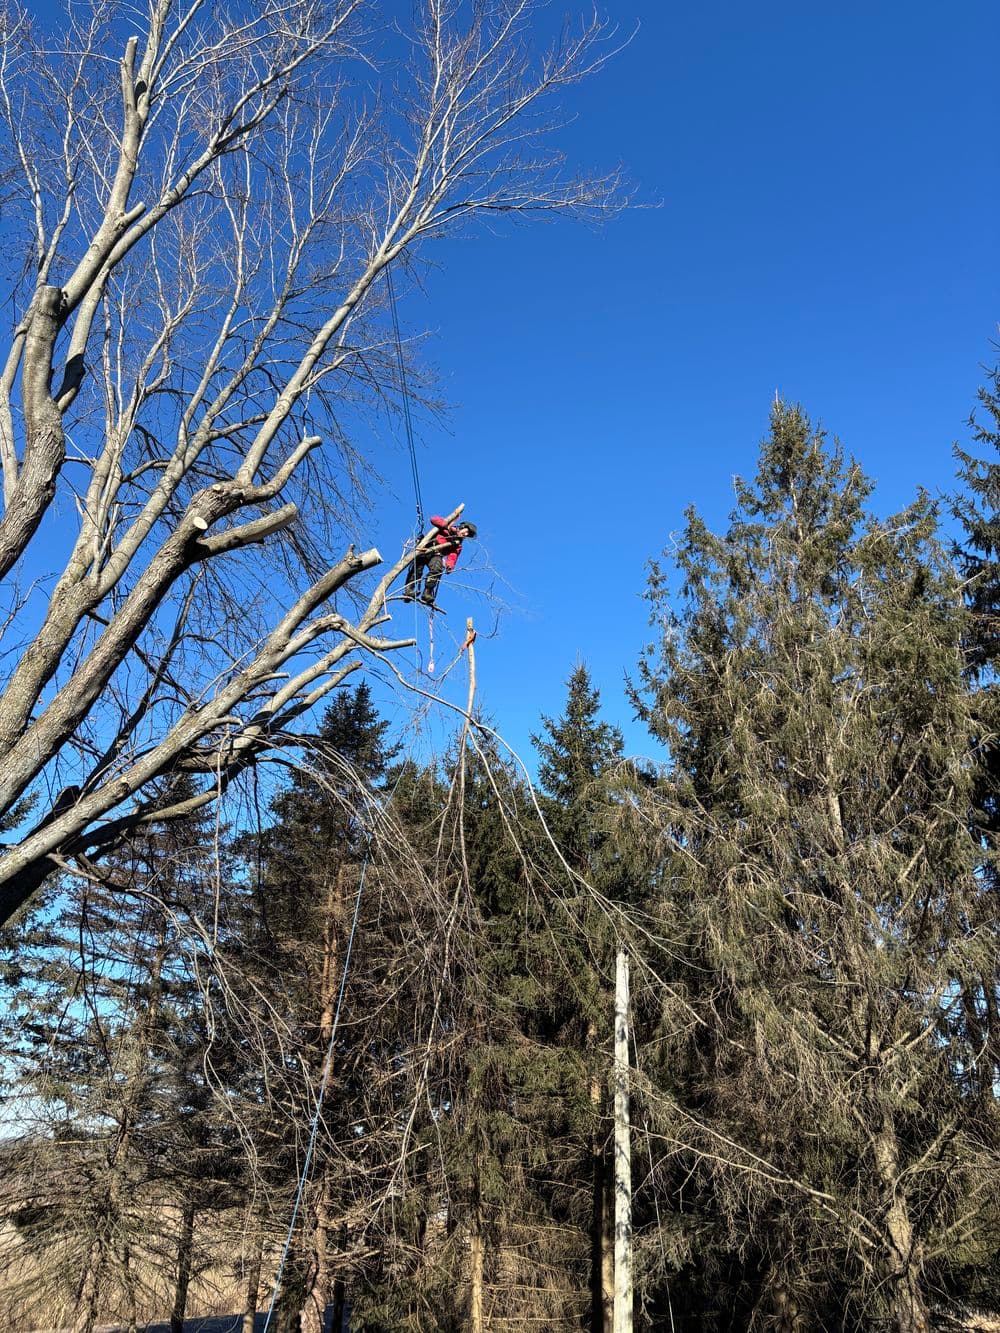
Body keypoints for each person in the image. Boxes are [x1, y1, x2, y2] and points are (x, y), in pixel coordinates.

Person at [403, 515, 477, 607]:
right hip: (425, 548)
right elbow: (433, 519)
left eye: (468, 535)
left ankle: (427, 593)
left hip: (436, 554)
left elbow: (453, 555)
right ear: (462, 527)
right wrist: (446, 525)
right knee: (417, 569)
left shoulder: (458, 544)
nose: (466, 535)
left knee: (437, 569)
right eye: (466, 532)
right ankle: (409, 589)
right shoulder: (447, 528)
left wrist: (450, 565)